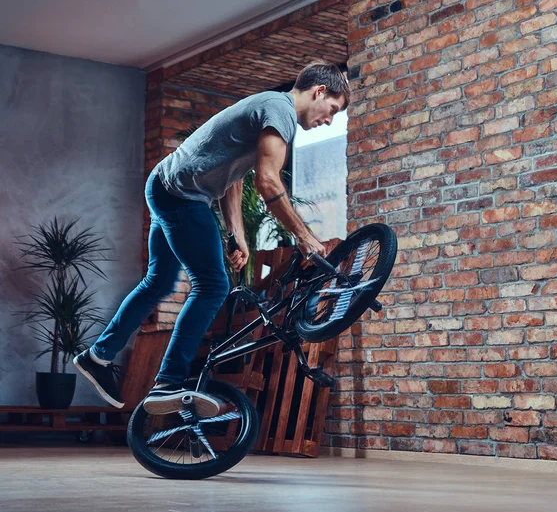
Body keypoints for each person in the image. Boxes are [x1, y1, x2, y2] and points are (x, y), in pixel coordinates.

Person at [73, 60, 350, 416]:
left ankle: (97, 356)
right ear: (319, 91)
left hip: (164, 184)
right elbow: (268, 182)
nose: (329, 119)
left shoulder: (268, 108)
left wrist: (238, 234)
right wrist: (303, 236)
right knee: (212, 286)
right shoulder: (280, 111)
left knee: (158, 281)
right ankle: (168, 382)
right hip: (181, 196)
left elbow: (233, 178)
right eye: (333, 110)